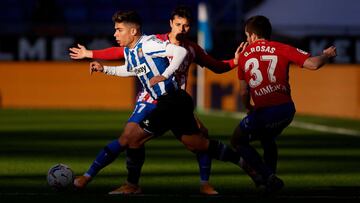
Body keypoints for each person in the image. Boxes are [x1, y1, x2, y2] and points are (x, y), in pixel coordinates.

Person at [70, 6, 245, 195]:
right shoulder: (156, 41)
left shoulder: (189, 48)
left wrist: (235, 62)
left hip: (172, 100)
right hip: (152, 97)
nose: (181, 29)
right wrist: (94, 58)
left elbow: (216, 66)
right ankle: (112, 181)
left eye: (186, 26)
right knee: (130, 137)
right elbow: (129, 61)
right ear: (171, 24)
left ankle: (207, 183)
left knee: (199, 140)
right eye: (178, 24)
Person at [231, 15, 337, 190]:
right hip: (287, 110)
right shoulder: (281, 48)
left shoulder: (243, 57)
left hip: (264, 112)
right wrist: (326, 55)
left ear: (252, 36)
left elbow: (243, 91)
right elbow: (313, 64)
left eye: (247, 36)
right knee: (268, 138)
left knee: (237, 141)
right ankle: (268, 183)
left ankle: (267, 176)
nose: (247, 39)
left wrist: (249, 107)